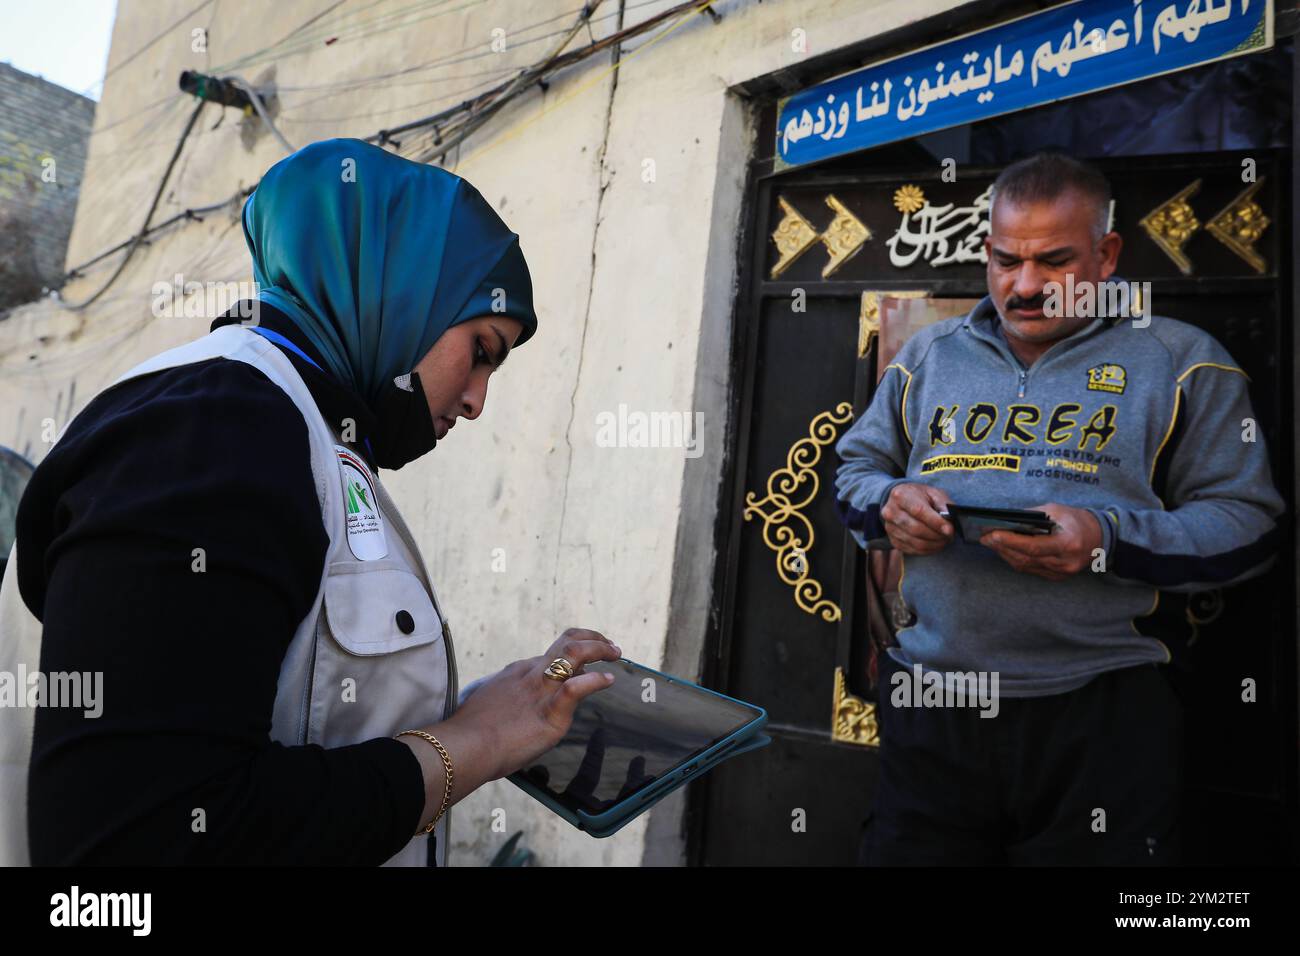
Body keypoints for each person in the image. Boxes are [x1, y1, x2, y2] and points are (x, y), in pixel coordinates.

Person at [0, 138, 620, 866]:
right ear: (398, 290)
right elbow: (141, 838)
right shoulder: (214, 426)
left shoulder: (300, 431)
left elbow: (284, 715)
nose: (479, 399)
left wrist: (493, 706)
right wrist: (474, 745)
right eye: (481, 351)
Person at [834, 151, 1286, 865]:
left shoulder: (1181, 361)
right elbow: (854, 471)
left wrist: (1104, 539)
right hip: (933, 701)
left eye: (1054, 261)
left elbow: (1249, 527)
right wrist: (890, 504)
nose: (1026, 285)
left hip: (1100, 709)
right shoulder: (927, 356)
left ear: (1106, 256)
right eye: (1007, 260)